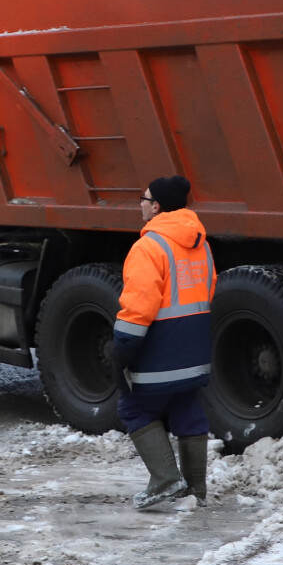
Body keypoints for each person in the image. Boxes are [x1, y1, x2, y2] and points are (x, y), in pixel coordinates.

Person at [109, 175, 215, 510]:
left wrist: (120, 352)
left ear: (156, 206)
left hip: (161, 347)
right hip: (195, 346)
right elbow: (208, 289)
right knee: (187, 407)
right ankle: (196, 490)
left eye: (143, 198)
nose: (139, 203)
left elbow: (139, 308)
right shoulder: (200, 243)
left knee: (133, 407)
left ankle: (166, 479)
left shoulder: (149, 247)